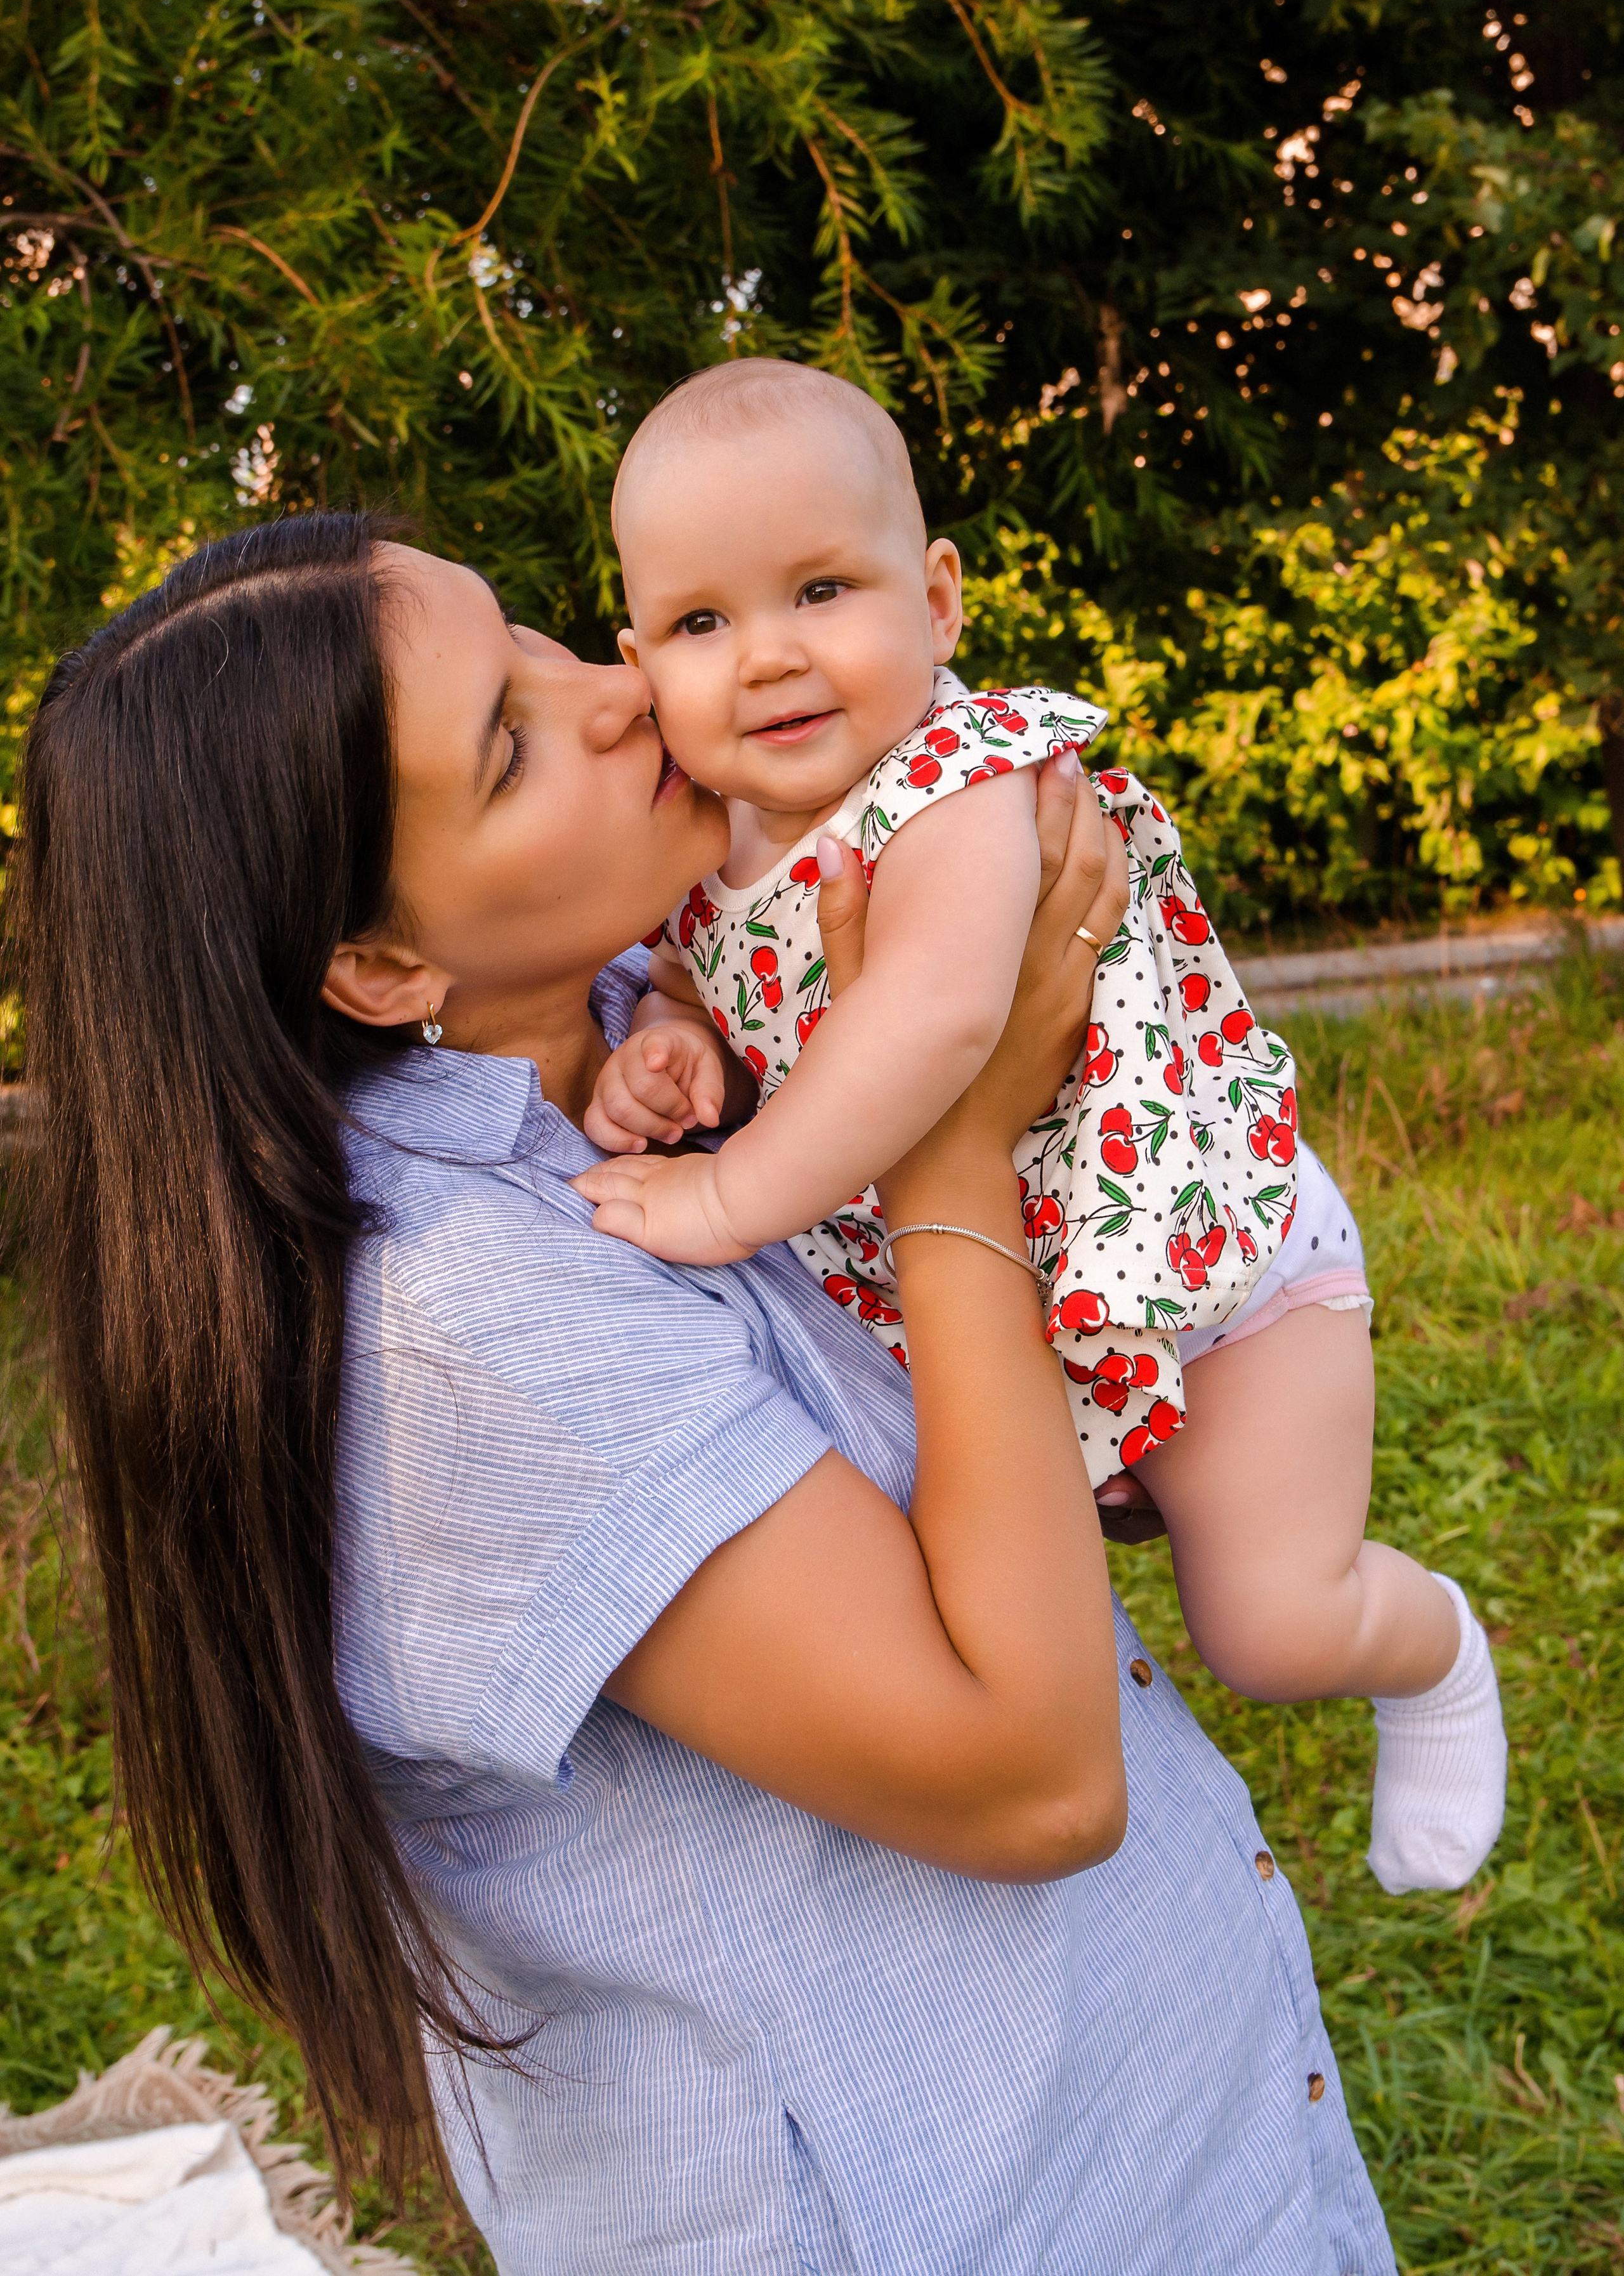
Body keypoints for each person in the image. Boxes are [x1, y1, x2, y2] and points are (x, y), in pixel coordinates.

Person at [16, 513, 1397, 2273]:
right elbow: (1030, 1777)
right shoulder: (476, 1319)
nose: (611, 696)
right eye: (508, 747)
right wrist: (952, 1132)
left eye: (536, 639)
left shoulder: (650, 1024)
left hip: (1138, 2157)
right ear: (377, 968)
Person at [577, 358, 1506, 1900]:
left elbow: (939, 1023)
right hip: (1016, 1307)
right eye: (701, 623)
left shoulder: (955, 781)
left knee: (1269, 1624)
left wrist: (731, 1190)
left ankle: (1432, 1652)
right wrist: (674, 1042)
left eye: (821, 587)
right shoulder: (704, 835)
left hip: (1205, 1266)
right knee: (1021, 1593)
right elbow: (701, 967)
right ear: (638, 658)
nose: (767, 658)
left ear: (936, 599)